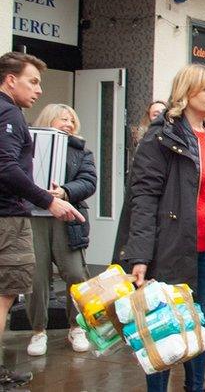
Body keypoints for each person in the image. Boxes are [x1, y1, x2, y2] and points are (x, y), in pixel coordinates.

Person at [113, 64, 205, 392]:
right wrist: (139, 255)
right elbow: (143, 198)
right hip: (169, 250)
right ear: (186, 92)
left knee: (198, 326)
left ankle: (196, 388)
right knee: (163, 330)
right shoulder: (160, 135)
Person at [0, 52, 84, 389]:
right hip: (8, 219)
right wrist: (48, 200)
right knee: (5, 296)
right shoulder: (8, 112)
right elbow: (6, 166)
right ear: (10, 80)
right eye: (32, 81)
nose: (38, 90)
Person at [27, 104, 96, 356]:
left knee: (76, 274)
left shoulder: (81, 152)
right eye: (63, 119)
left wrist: (65, 191)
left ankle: (75, 327)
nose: (68, 124)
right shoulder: (28, 145)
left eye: (72, 121)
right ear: (48, 120)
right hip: (34, 217)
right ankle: (38, 331)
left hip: (67, 219)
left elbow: (89, 182)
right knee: (37, 277)